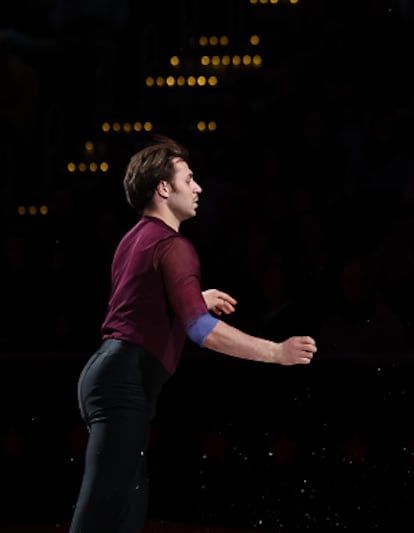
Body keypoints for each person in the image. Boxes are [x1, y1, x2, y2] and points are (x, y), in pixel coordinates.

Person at [68, 136, 318, 533]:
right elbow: (201, 330)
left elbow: (138, 303)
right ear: (163, 188)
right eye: (189, 179)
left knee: (127, 511)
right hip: (123, 382)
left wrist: (193, 297)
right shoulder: (174, 246)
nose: (199, 187)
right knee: (102, 514)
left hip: (111, 376)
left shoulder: (134, 239)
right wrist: (276, 352)